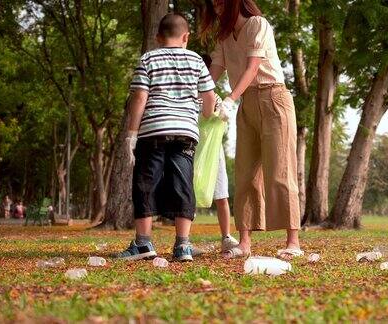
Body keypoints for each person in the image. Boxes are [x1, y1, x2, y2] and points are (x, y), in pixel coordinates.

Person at [202, 0, 303, 259]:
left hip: (273, 99)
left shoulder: (258, 24)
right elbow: (215, 69)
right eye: (213, 3)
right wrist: (198, 93)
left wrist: (230, 98)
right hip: (246, 104)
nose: (217, 8)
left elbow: (253, 67)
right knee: (246, 173)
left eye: (221, 2)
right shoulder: (224, 36)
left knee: (280, 171)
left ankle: (293, 241)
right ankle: (245, 242)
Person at [115, 13, 216, 262]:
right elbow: (210, 97)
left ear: (158, 37)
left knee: (145, 183)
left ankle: (143, 243)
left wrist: (131, 135)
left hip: (154, 131)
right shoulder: (196, 60)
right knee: (183, 185)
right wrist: (204, 114)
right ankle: (183, 245)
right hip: (185, 132)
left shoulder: (148, 58)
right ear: (186, 37)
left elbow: (139, 98)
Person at [200, 54, 239, 254]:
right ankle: (184, 240)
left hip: (214, 152)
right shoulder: (190, 93)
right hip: (195, 150)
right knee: (188, 194)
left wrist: (222, 113)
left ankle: (226, 236)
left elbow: (219, 120)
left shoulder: (215, 96)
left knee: (221, 194)